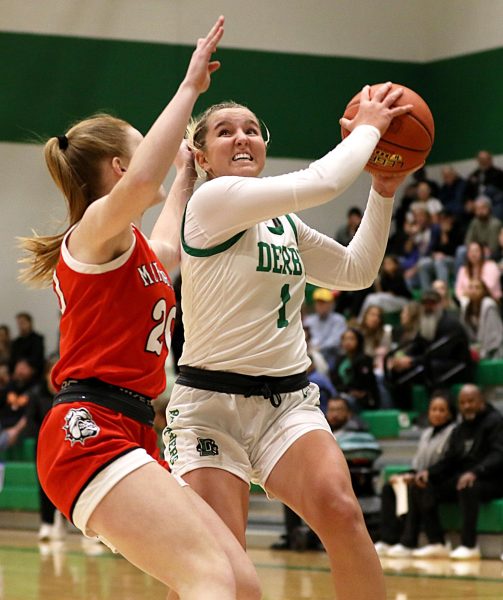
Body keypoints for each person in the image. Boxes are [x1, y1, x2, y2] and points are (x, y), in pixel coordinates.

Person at [18, 18, 261, 600]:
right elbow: (144, 175)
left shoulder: (134, 249)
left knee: (243, 585)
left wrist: (185, 175)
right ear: (123, 167)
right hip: (88, 431)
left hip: (130, 430)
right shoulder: (93, 231)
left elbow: (172, 250)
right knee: (209, 580)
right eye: (144, 144)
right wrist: (189, 89)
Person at [157, 82, 415, 600]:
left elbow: (356, 269)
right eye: (225, 132)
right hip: (211, 407)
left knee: (343, 515)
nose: (242, 137)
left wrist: (383, 190)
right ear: (203, 157)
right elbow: (324, 180)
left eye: (252, 128)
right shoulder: (210, 201)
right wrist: (369, 124)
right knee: (221, 566)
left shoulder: (283, 221)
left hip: (286, 404)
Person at [414, 384, 503, 560]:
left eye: (471, 401)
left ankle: (469, 545)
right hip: (464, 477)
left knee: (468, 485)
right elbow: (450, 460)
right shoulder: (460, 429)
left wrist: (476, 472)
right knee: (423, 486)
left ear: (481, 401)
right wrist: (429, 473)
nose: (467, 406)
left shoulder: (495, 422)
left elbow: (499, 454)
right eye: (462, 402)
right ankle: (437, 543)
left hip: (492, 479)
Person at [375, 391, 457, 558]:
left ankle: (411, 542)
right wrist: (405, 475)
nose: (437, 413)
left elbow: (451, 462)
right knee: (389, 487)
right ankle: (389, 539)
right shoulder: (427, 433)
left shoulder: (454, 432)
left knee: (417, 487)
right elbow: (418, 465)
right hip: (424, 476)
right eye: (434, 409)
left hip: (443, 480)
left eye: (442, 410)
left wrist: (423, 475)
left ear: (449, 413)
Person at [385, 289, 472, 409]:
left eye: (432, 303)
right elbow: (418, 344)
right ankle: (405, 411)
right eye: (425, 303)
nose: (428, 307)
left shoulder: (450, 324)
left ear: (440, 304)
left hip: (456, 365)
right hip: (431, 361)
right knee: (398, 371)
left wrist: (412, 361)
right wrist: (404, 358)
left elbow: (441, 353)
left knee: (431, 368)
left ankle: (440, 408)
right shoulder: (425, 322)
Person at [330, 327, 381, 411]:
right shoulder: (339, 359)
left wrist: (355, 392)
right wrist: (347, 390)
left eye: (351, 339)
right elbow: (334, 379)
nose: (348, 342)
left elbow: (366, 383)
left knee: (347, 402)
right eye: (345, 339)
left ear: (358, 341)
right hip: (343, 393)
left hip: (363, 398)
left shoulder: (365, 359)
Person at [460, 278, 503, 359]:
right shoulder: (466, 307)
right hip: (476, 350)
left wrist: (482, 353)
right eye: (471, 287)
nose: (473, 290)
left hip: (494, 351)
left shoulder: (488, 305)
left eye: (477, 287)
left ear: (483, 291)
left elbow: (494, 335)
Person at [9, 312, 45, 382]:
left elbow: (38, 356)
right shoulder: (16, 342)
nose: (21, 326)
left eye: (23, 323)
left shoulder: (38, 339)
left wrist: (26, 365)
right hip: (18, 372)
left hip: (33, 371)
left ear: (30, 323)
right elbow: (12, 358)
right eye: (19, 324)